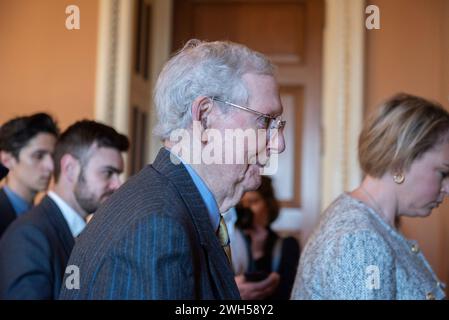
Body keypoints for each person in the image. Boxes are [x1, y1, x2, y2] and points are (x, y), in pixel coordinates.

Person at [59, 39, 286, 299]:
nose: (279, 144)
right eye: (265, 121)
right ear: (204, 117)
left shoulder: (168, 205)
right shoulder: (156, 226)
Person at [291, 93, 448, 300]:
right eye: (443, 173)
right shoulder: (361, 240)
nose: (447, 188)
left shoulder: (364, 222)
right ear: (400, 161)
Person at [0, 120, 129, 299]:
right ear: (70, 169)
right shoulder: (29, 236)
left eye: (118, 175)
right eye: (107, 173)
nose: (118, 185)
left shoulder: (83, 232)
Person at [231, 176, 300, 300]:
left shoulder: (287, 246)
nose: (246, 209)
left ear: (268, 205)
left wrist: (258, 253)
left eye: (252, 202)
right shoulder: (229, 242)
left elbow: (287, 295)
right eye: (241, 204)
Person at [0, 113, 59, 238]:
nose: (51, 166)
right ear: (7, 160)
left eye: (53, 156)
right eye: (38, 156)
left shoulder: (44, 217)